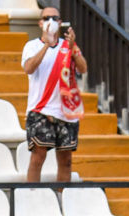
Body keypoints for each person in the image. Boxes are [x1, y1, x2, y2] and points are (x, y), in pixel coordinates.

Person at [21, 4, 87, 183]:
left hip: (66, 110)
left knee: (66, 161)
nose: (51, 21)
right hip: (40, 108)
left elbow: (83, 68)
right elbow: (29, 68)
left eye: (55, 18)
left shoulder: (68, 45)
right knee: (38, 157)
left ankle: (61, 200)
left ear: (61, 22)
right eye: (46, 18)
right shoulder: (32, 45)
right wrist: (47, 46)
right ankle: (31, 197)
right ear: (40, 23)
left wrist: (73, 48)